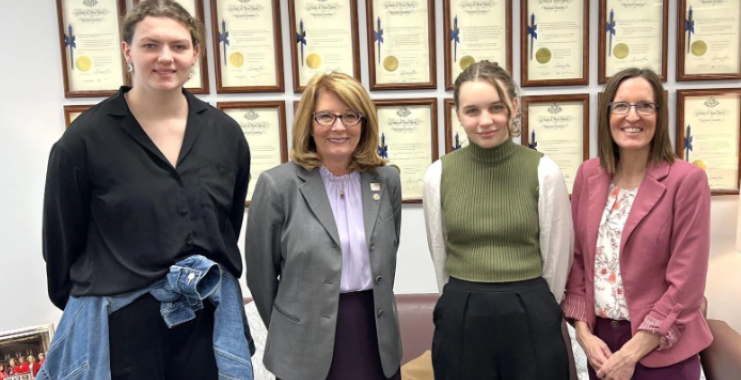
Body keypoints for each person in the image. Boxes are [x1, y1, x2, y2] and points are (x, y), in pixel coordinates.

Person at [41, 1, 253, 379]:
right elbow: (61, 245)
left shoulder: (226, 135)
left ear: (196, 54)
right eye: (150, 45)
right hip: (123, 327)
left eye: (179, 46)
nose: (165, 58)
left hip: (206, 321)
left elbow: (227, 225)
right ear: (128, 52)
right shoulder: (83, 141)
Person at [246, 72, 402, 380]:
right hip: (304, 345)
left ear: (364, 122)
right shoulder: (278, 186)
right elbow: (261, 278)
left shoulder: (386, 181)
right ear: (309, 123)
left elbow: (388, 253)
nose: (339, 126)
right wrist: (293, 327)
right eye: (326, 116)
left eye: (350, 116)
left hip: (374, 336)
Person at [423, 60, 573, 379]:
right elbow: (440, 251)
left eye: (496, 107)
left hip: (531, 309)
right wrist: (460, 300)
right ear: (458, 114)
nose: (485, 121)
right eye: (472, 111)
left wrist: (539, 307)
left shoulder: (544, 171)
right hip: (461, 311)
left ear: (514, 107)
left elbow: (558, 256)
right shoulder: (438, 175)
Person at [561, 68, 712, 380]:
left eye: (645, 105)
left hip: (662, 350)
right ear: (607, 114)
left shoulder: (687, 181)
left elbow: (687, 283)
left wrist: (632, 351)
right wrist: (584, 336)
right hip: (600, 345)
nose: (632, 116)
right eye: (621, 105)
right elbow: (576, 263)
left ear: (659, 115)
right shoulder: (588, 175)